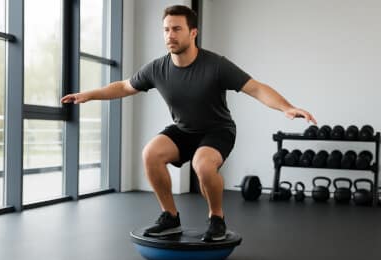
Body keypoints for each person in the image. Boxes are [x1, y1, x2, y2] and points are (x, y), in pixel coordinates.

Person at [61, 5, 317, 242]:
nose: (170, 35)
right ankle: (170, 217)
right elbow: (124, 86)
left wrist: (287, 107)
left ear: (193, 32)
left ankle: (217, 218)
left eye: (176, 29)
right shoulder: (157, 69)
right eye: (166, 29)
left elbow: (256, 88)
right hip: (184, 129)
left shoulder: (215, 65)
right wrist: (89, 94)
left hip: (218, 130)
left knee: (202, 166)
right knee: (151, 153)